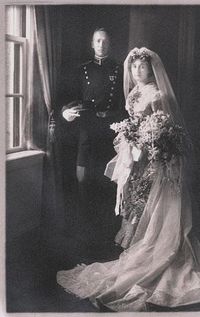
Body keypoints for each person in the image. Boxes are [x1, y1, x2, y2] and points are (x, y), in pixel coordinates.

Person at [57, 48, 200, 311]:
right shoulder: (135, 92)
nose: (137, 71)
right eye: (134, 67)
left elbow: (166, 128)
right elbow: (133, 121)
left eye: (142, 67)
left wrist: (148, 145)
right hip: (136, 156)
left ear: (151, 69)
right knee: (135, 204)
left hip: (153, 157)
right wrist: (131, 140)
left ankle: (155, 253)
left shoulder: (157, 94)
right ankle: (139, 252)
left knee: (150, 203)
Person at [60, 28, 125, 239]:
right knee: (83, 179)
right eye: (98, 41)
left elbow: (125, 105)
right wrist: (65, 112)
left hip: (109, 134)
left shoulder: (119, 69)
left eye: (105, 41)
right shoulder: (82, 70)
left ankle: (105, 233)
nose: (101, 45)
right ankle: (85, 230)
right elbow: (70, 98)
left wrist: (113, 116)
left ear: (110, 44)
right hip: (87, 132)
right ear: (92, 44)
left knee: (107, 182)